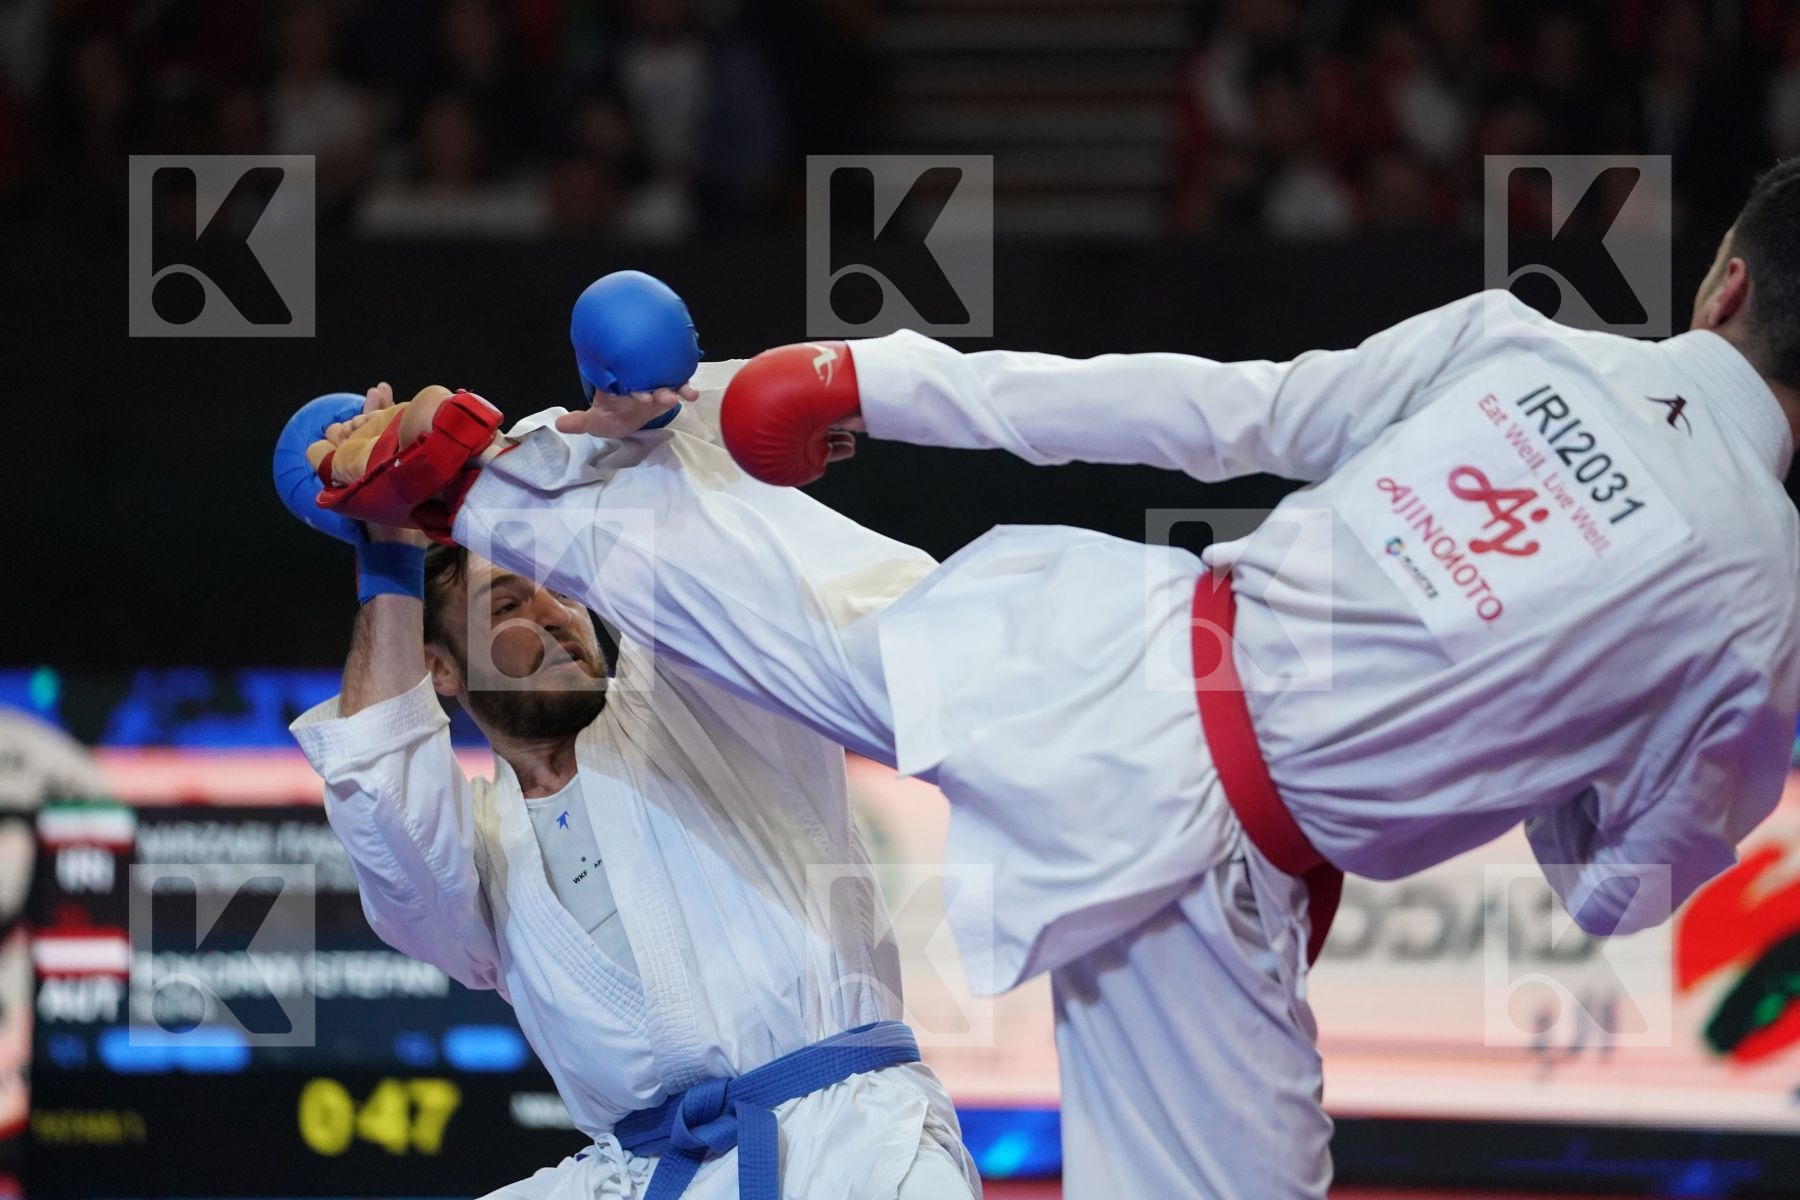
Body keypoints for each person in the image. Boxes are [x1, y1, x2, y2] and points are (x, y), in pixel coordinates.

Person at [301, 159, 1800, 1198]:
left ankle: (484, 482)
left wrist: (874, 382)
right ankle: (497, 486)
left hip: (1133, 680)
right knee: (812, 619)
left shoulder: (1518, 343)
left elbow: (1220, 414)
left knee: (831, 629)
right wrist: (1553, 720)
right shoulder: (1769, 625)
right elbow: (1608, 888)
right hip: (1244, 860)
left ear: (1724, 284)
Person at [285, 368, 978, 1200]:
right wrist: (388, 553)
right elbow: (383, 795)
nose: (556, 614)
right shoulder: (479, 862)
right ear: (438, 668)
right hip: (646, 1174)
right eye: (508, 599)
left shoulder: (701, 692)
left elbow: (686, 554)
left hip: (854, 1148)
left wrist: (611, 440)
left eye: (564, 592)